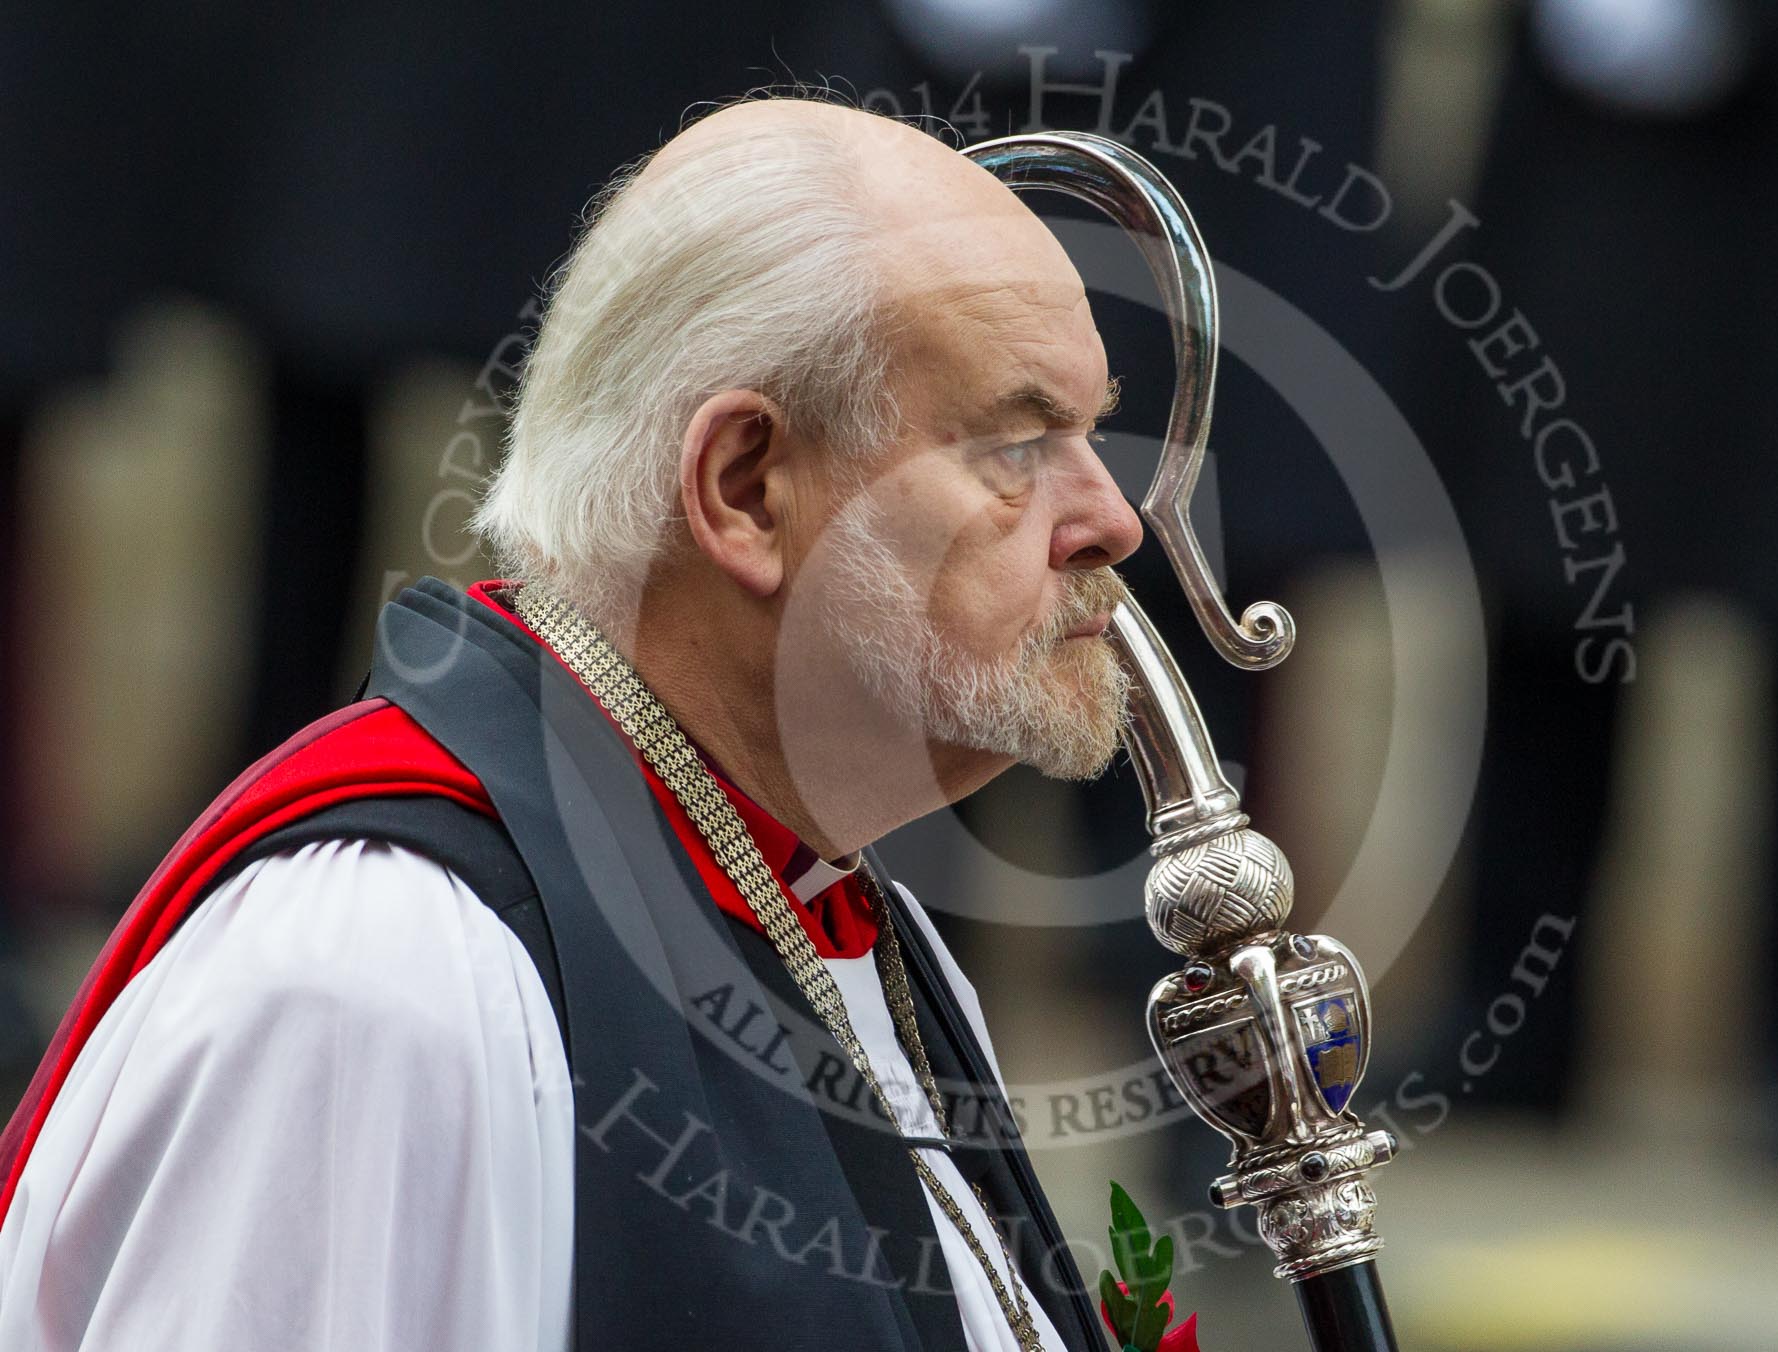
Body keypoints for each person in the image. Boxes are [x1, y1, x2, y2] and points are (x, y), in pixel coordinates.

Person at [0, 97, 1144, 1352]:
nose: (1112, 517)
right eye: (1020, 441)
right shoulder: (382, 975)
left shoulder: (848, 912)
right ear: (746, 487)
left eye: (1091, 434)